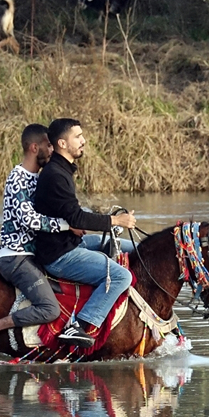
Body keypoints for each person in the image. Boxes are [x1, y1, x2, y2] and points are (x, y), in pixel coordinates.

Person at [32, 118, 137, 347]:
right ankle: (78, 325)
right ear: (62, 143)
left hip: (71, 243)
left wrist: (103, 220)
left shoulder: (62, 170)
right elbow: (76, 218)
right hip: (60, 256)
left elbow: (72, 213)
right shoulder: (56, 175)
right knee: (122, 276)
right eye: (77, 137)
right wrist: (115, 220)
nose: (83, 141)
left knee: (136, 250)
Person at [0, 124, 69, 355]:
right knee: (49, 308)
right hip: (17, 259)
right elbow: (29, 220)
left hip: (32, 256)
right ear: (35, 148)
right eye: (48, 145)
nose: (52, 149)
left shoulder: (37, 178)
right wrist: (66, 225)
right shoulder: (18, 178)